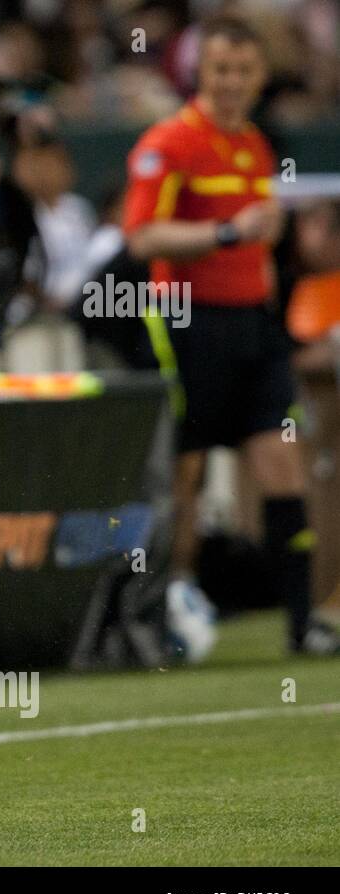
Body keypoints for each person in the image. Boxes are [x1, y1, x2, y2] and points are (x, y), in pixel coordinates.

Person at [123, 15, 335, 657]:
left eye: (244, 70)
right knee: (185, 473)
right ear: (199, 72)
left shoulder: (256, 146)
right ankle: (165, 612)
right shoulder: (169, 143)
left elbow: (257, 233)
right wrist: (224, 234)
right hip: (188, 322)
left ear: (260, 76)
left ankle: (302, 625)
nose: (232, 82)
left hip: (253, 326)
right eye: (221, 69)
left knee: (281, 464)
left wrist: (263, 258)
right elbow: (142, 238)